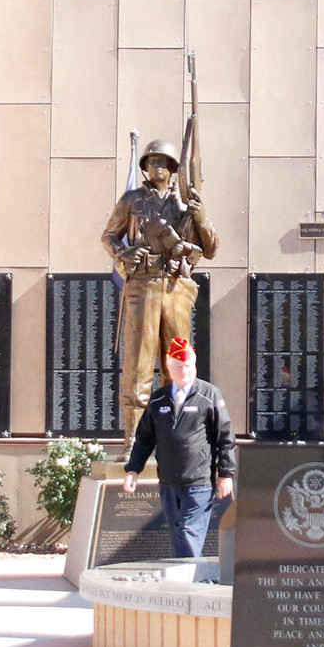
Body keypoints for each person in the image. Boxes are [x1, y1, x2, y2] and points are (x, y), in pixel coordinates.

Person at [103, 139, 218, 451]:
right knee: (138, 363)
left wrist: (201, 215)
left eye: (161, 163)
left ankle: (174, 437)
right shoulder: (132, 200)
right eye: (150, 162)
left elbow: (210, 249)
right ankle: (133, 441)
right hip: (142, 284)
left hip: (174, 287)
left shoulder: (184, 206)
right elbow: (109, 236)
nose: (155, 168)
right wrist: (124, 252)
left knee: (178, 363)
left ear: (172, 169)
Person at [123, 338, 236, 558]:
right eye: (177, 366)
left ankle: (189, 583)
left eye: (187, 366)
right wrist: (133, 470)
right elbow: (145, 438)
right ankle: (190, 580)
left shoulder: (209, 395)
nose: (183, 370)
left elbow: (225, 436)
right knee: (178, 532)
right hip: (168, 483)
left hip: (198, 483)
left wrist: (226, 474)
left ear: (194, 365)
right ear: (168, 366)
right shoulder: (159, 399)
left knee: (188, 531)